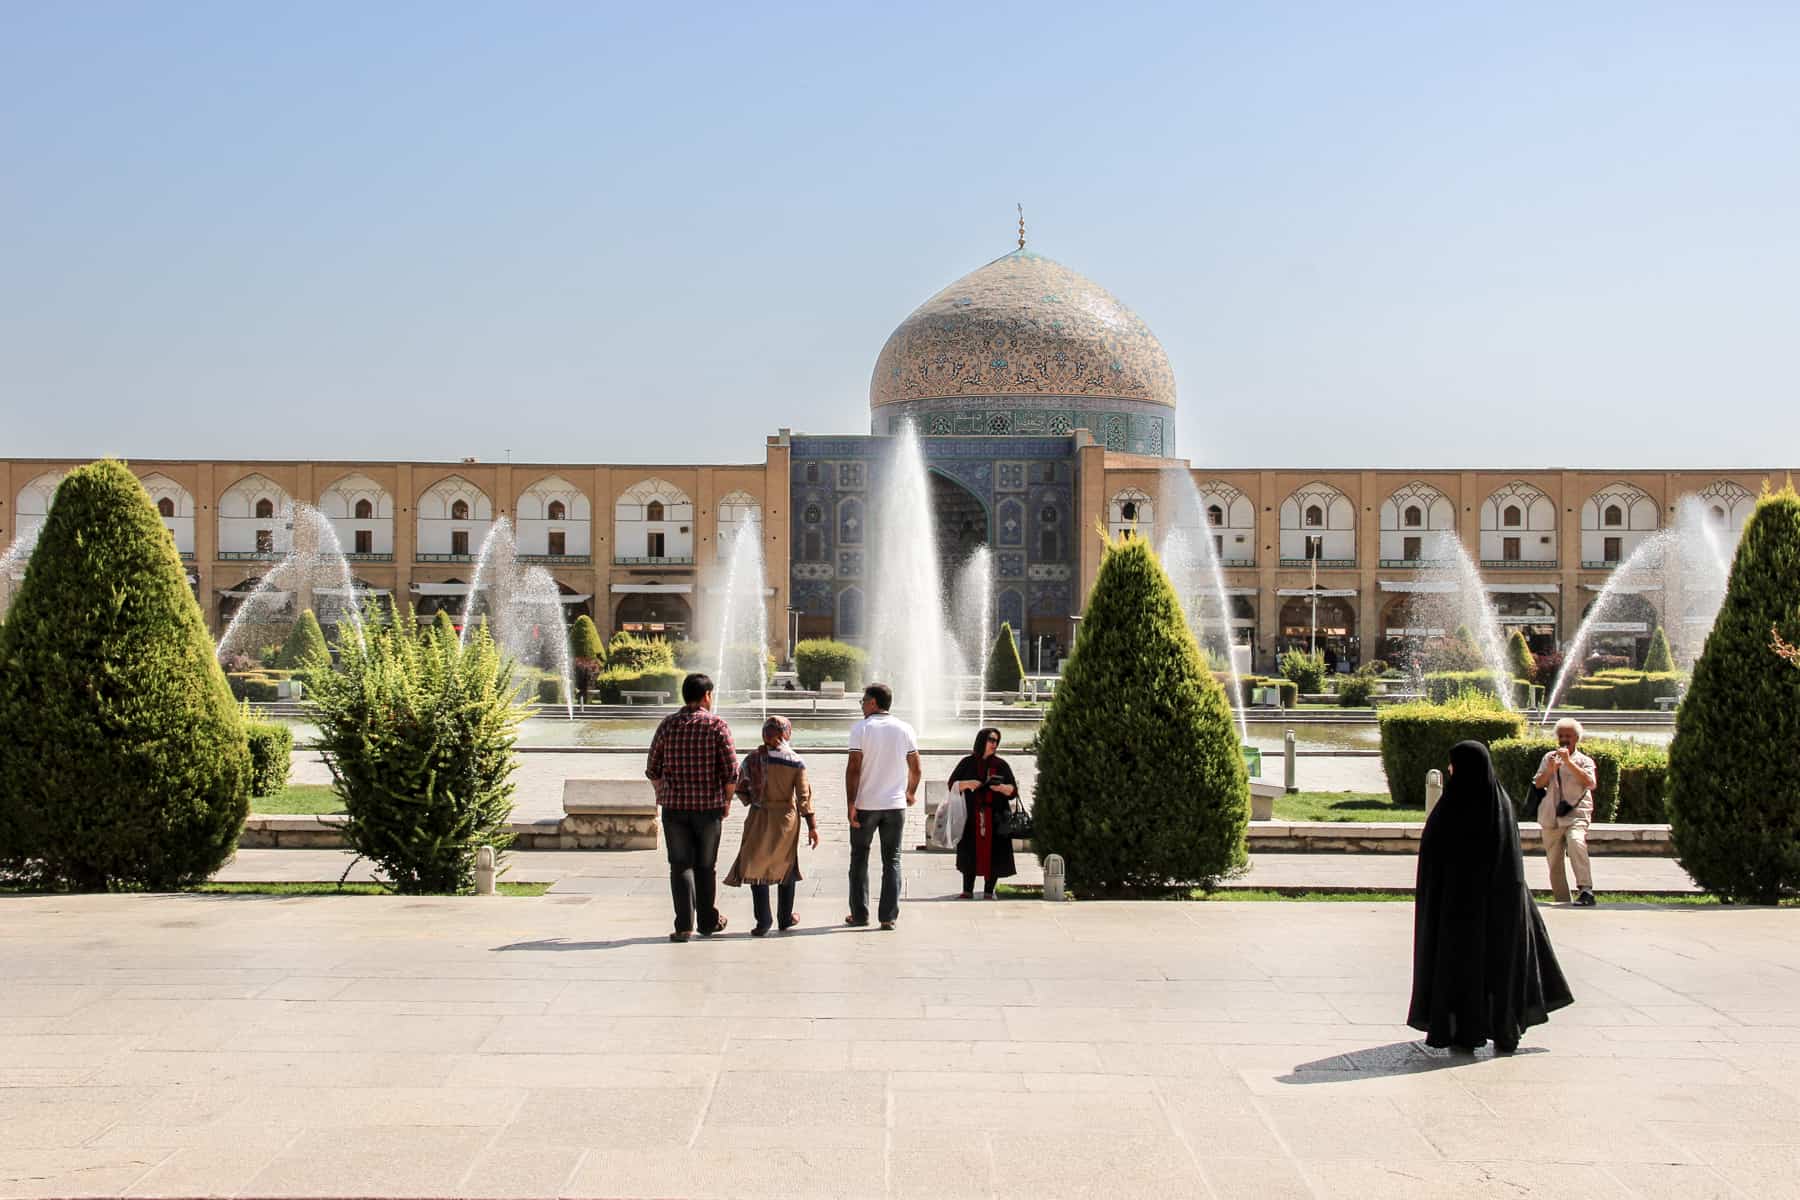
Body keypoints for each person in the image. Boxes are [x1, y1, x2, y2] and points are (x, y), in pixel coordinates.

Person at [1410, 741, 1574, 1054]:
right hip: (1503, 907)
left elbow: (1435, 863)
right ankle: (1504, 1028)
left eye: (1453, 765)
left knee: (1463, 969)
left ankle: (1464, 1030)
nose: (1449, 771)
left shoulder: (1452, 809)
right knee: (1501, 968)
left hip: (1459, 911)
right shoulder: (1500, 804)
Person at [644, 673, 738, 942]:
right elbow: (731, 771)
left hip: (674, 809)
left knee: (680, 865)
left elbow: (653, 768)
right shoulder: (717, 726)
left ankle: (684, 926)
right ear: (707, 695)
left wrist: (663, 792)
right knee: (706, 866)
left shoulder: (668, 725)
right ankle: (708, 921)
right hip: (708, 808)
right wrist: (728, 801)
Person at [723, 715, 819, 936]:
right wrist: (812, 826)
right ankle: (785, 918)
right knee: (786, 865)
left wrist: (754, 799)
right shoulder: (795, 761)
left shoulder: (752, 759)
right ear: (786, 733)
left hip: (758, 815)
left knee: (757, 864)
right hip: (786, 818)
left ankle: (763, 920)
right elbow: (803, 797)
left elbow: (741, 788)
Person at [844, 682, 919, 930]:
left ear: (873, 703)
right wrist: (909, 793)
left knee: (859, 858)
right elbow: (916, 768)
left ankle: (859, 914)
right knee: (893, 860)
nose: (862, 705)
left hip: (867, 804)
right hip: (895, 806)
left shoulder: (862, 729)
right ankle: (888, 917)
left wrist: (851, 802)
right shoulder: (905, 728)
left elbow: (854, 767)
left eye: (863, 701)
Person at [946, 727, 1019, 899]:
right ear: (982, 741)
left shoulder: (1001, 765)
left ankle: (988, 890)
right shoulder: (967, 762)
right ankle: (967, 890)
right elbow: (952, 784)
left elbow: (1013, 791)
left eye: (996, 741)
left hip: (995, 817)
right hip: (972, 816)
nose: (994, 744)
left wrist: (1000, 788)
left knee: (995, 852)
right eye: (991, 740)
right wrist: (967, 783)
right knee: (969, 851)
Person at [1533, 717, 1599, 906]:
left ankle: (1586, 889)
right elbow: (1539, 783)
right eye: (1561, 735)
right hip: (1551, 815)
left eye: (1568, 736)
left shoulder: (1584, 761)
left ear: (1576, 738)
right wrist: (1551, 769)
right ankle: (1562, 900)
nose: (1564, 739)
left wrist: (1569, 763)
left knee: (1576, 842)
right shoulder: (1548, 758)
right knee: (1554, 861)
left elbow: (1590, 783)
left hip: (1576, 814)